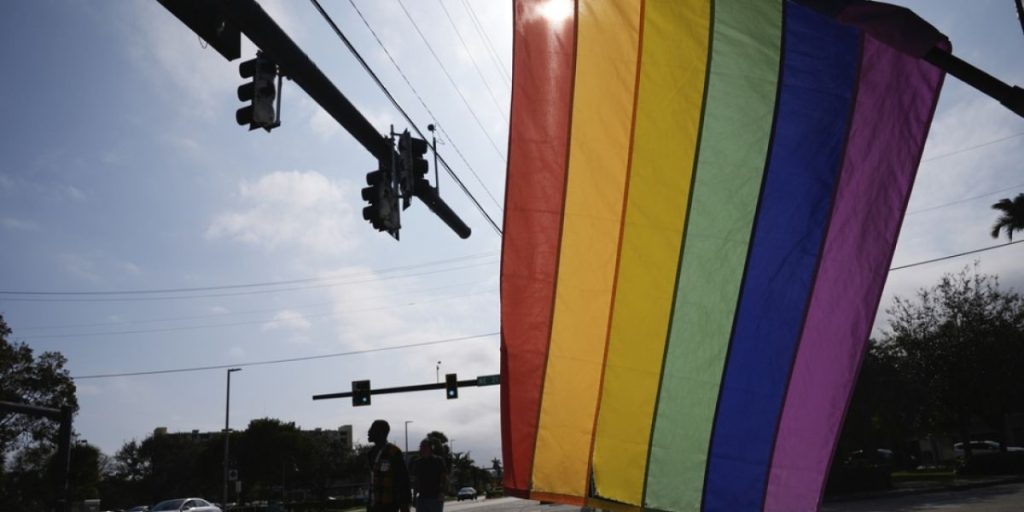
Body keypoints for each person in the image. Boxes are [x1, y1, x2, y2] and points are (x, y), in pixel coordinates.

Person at [367, 420, 411, 512]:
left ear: (381, 433)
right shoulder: (371, 453)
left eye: (372, 429)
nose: (369, 431)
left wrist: (404, 506)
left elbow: (403, 481)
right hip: (373, 506)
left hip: (389, 506)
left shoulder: (394, 452)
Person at [411, 438, 448, 512]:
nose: (422, 449)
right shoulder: (418, 463)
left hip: (435, 498)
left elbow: (444, 477)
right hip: (422, 498)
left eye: (424, 446)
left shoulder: (438, 461)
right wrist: (414, 496)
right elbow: (416, 480)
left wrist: (442, 492)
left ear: (430, 448)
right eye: (421, 447)